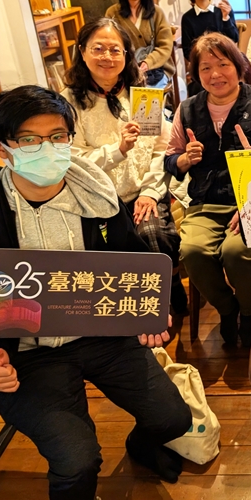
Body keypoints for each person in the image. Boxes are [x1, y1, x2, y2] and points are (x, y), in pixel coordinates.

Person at [0, 85, 191, 500]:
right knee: (76, 460)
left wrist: (150, 311)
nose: (47, 149)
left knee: (173, 418)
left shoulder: (96, 195)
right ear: (1, 148)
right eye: (29, 140)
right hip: (28, 354)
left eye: (57, 137)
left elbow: (134, 261)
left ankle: (141, 445)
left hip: (103, 334)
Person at [164, 33, 251, 347]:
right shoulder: (187, 109)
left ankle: (248, 313)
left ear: (238, 65)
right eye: (206, 68)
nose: (215, 74)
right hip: (205, 203)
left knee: (236, 252)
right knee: (191, 251)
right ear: (195, 73)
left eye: (223, 64)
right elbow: (170, 159)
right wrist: (184, 159)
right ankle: (227, 307)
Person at [61, 17, 188, 314]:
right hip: (96, 199)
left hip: (143, 193)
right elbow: (70, 159)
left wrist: (150, 193)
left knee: (155, 236)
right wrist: (117, 151)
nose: (107, 57)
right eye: (98, 49)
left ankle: (168, 293)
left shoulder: (140, 94)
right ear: (82, 51)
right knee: (104, 249)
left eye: (115, 50)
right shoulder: (68, 103)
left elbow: (162, 149)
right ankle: (125, 309)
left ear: (126, 55)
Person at [106, 0, 175, 89]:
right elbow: (109, 43)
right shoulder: (112, 13)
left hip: (155, 70)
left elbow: (165, 46)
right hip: (125, 71)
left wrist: (147, 63)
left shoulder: (156, 12)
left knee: (145, 96)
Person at [180, 0, 238, 64]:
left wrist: (225, 17)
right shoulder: (187, 18)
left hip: (225, 60)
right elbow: (187, 51)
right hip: (202, 64)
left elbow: (234, 39)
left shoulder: (223, 9)